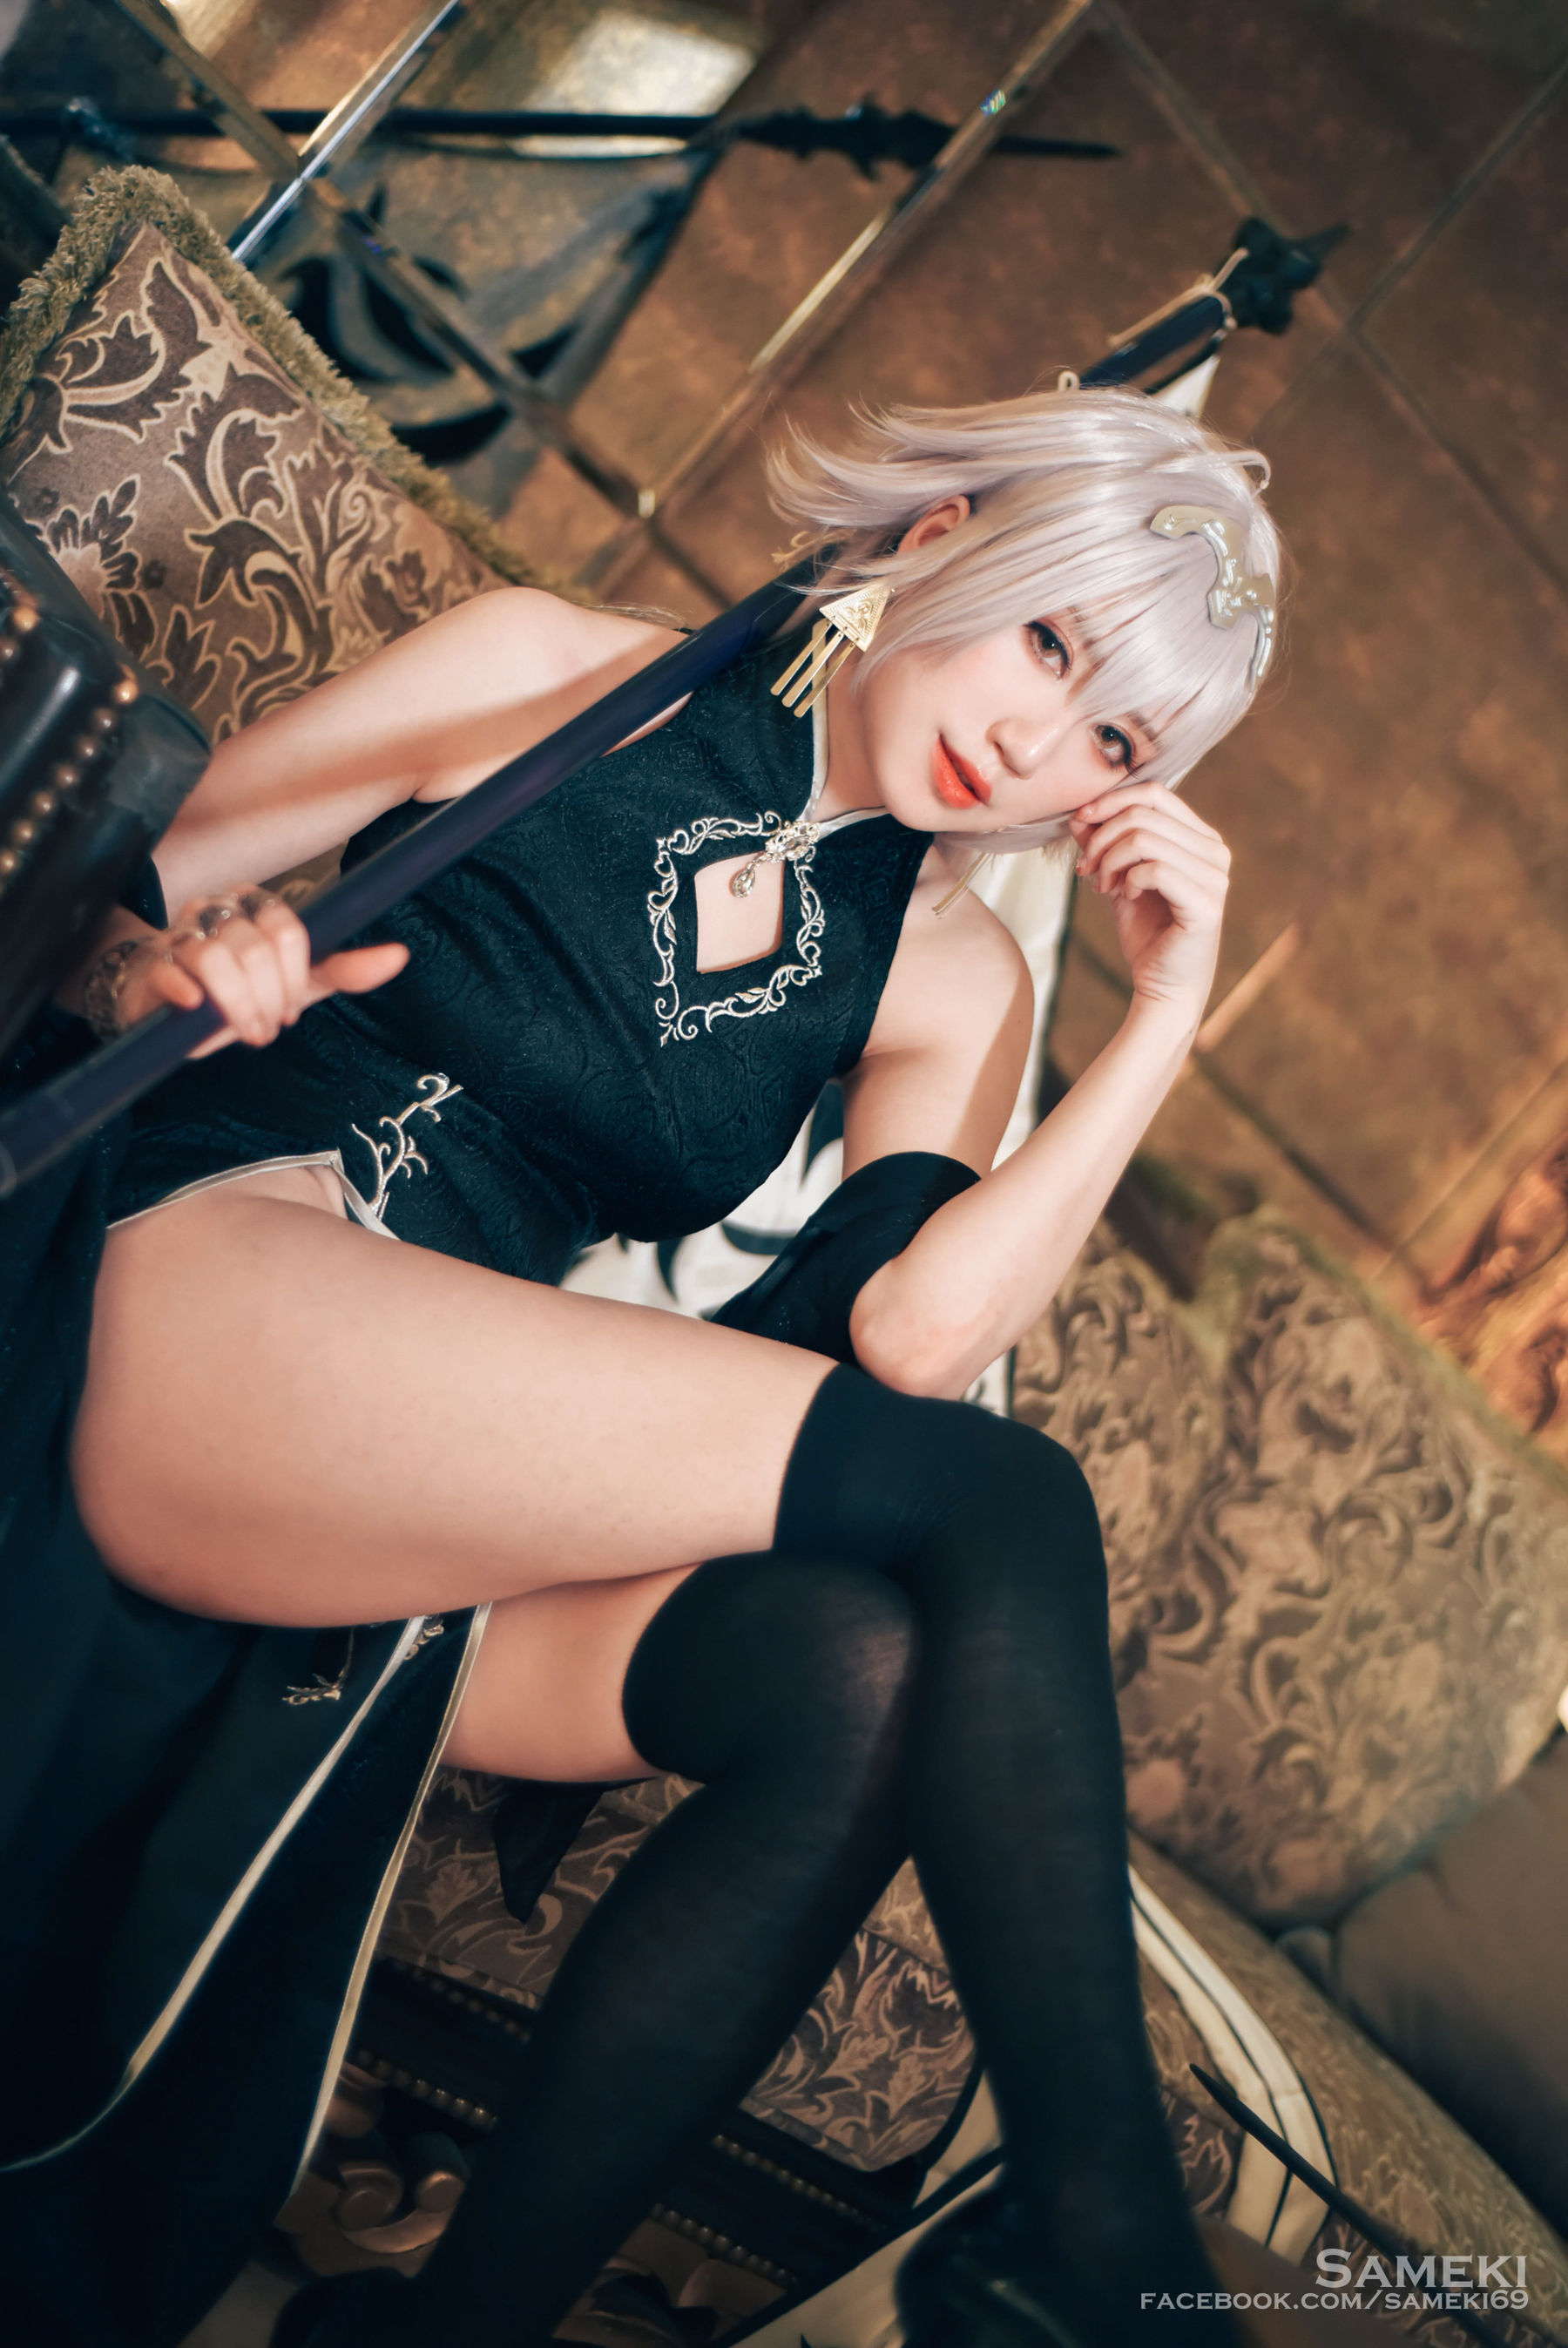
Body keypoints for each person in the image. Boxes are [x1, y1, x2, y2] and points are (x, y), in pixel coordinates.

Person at [38, 388, 1278, 2348]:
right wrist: (185, 973)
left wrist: (1162, 1018)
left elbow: (912, 1339)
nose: (1038, 742)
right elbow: (98, 917)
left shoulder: (954, 976)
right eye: (1048, 639)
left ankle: (463, 2333)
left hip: (409, 1469)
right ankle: (1104, 2227)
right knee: (1004, 1501)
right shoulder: (561, 671)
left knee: (856, 1673)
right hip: (211, 1265)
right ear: (941, 535)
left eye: (1116, 739)